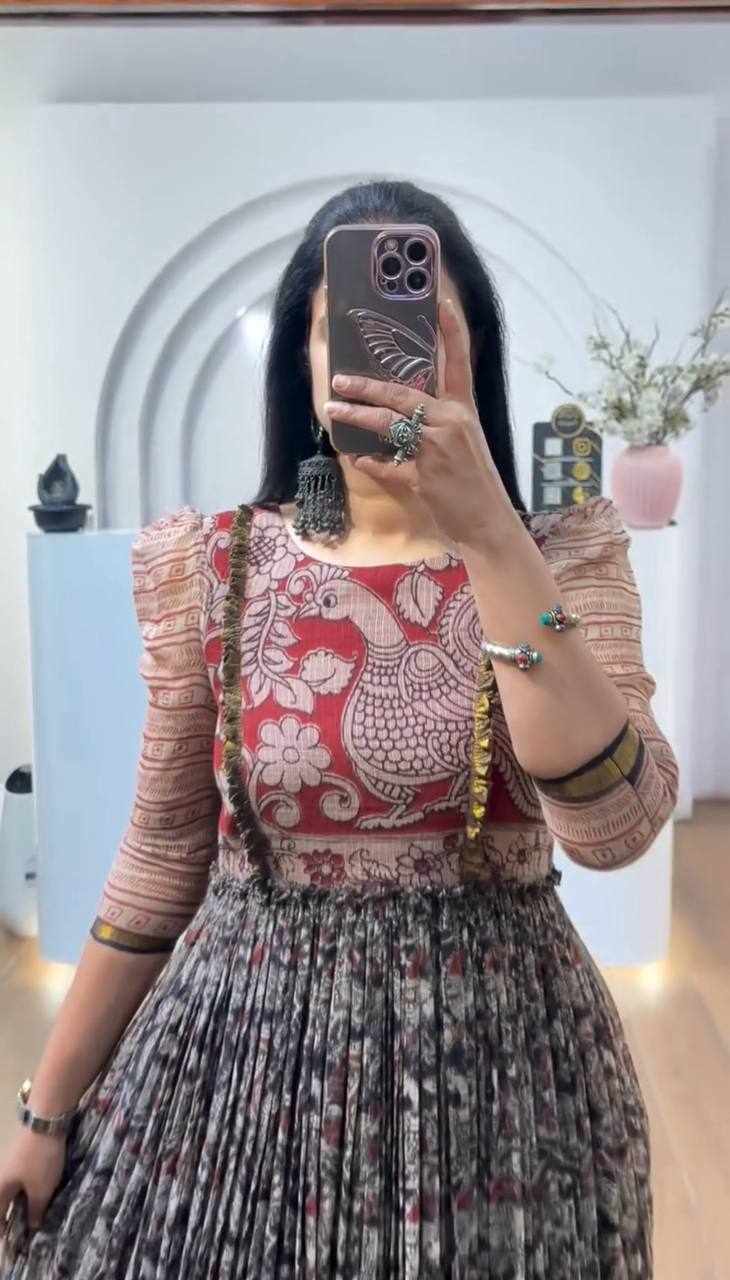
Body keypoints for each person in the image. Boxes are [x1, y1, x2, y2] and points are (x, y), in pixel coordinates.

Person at [0, 179, 679, 1279]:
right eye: (338, 329)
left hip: (502, 1082)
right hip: (242, 1075)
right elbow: (163, 851)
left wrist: (490, 538)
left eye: (426, 327)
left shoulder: (566, 557)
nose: (381, 354)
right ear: (304, 367)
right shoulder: (215, 565)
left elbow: (615, 828)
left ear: (473, 355)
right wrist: (46, 1109)